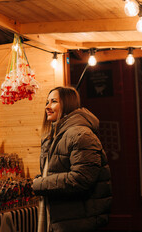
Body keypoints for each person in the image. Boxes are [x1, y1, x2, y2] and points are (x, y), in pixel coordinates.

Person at [32, 86, 112, 232]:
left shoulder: (81, 135)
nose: (47, 107)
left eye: (53, 102)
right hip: (61, 221)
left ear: (67, 104)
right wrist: (40, 180)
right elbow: (56, 172)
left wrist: (41, 184)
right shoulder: (53, 137)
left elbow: (81, 179)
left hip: (79, 223)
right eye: (47, 102)